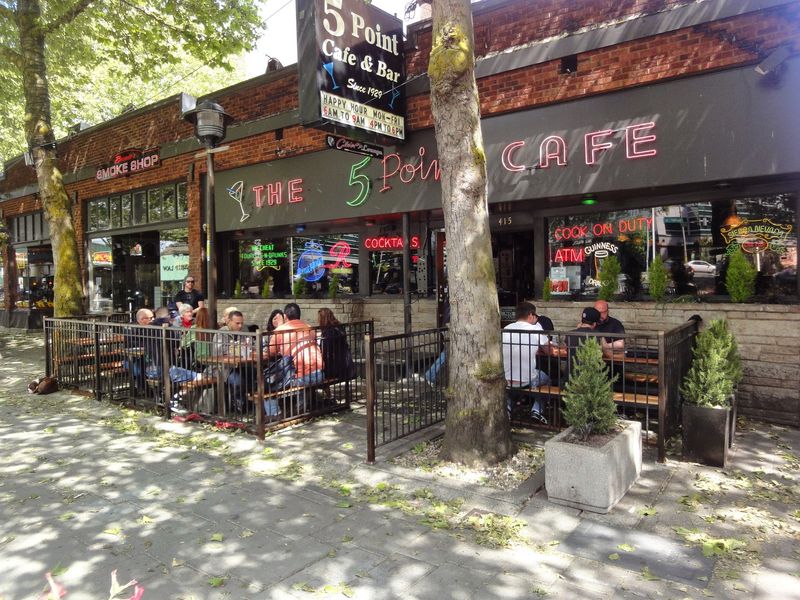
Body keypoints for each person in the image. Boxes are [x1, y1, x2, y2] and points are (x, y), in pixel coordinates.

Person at [267, 303, 324, 414]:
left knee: (267, 386)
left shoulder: (280, 330)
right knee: (298, 375)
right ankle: (301, 407)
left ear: (285, 316)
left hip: (302, 377)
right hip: (320, 374)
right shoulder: (308, 327)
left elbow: (271, 352)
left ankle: (273, 414)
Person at [502, 302, 550, 422]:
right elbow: (549, 350)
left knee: (514, 384)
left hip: (506, 379)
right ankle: (537, 410)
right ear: (530, 315)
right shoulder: (535, 329)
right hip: (526, 380)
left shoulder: (506, 329)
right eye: (535, 315)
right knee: (547, 379)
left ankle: (508, 407)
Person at [212, 310, 252, 412]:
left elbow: (250, 346)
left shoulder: (243, 331)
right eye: (237, 323)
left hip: (242, 365)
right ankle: (238, 405)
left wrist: (238, 349)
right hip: (224, 368)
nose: (240, 326)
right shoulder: (221, 334)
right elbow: (219, 352)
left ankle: (250, 403)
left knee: (255, 374)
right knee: (237, 381)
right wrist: (237, 350)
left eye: (241, 323)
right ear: (229, 321)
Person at [318, 307, 355, 381]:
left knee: (316, 374)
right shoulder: (339, 327)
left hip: (335, 368)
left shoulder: (328, 332)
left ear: (322, 319)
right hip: (346, 365)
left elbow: (325, 351)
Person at [565, 306, 602, 378]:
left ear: (581, 321)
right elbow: (606, 352)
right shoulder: (597, 335)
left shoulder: (569, 334)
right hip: (589, 379)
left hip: (570, 378)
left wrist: (578, 329)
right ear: (594, 324)